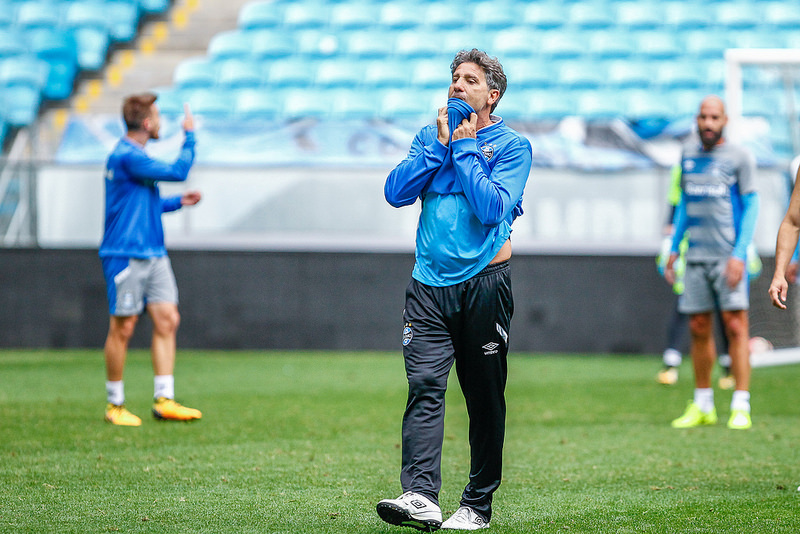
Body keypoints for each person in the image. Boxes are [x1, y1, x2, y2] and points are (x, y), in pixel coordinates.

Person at [376, 49, 532, 531]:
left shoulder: (513, 147)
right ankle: (420, 495)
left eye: (470, 80)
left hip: (484, 287)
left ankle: (477, 505)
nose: (458, 86)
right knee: (424, 386)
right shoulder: (430, 138)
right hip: (427, 287)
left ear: (493, 94)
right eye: (454, 79)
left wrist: (464, 151)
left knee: (484, 398)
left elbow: (491, 209)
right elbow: (395, 192)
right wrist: (440, 147)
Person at [99, 93, 202, 426]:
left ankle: (164, 399)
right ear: (147, 123)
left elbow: (142, 206)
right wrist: (190, 134)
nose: (160, 122)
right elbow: (178, 169)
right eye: (157, 117)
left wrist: (176, 204)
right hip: (126, 253)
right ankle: (115, 404)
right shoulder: (127, 156)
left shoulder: (135, 158)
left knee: (167, 319)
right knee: (124, 326)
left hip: (154, 253)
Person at [665, 95, 759, 430]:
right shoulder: (688, 154)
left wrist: (739, 253)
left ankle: (741, 404)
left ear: (725, 121)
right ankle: (703, 403)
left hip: (727, 258)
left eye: (714, 117)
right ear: (697, 119)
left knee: (736, 327)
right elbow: (686, 207)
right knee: (698, 328)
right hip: (696, 257)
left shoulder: (739, 157)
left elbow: (752, 207)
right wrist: (675, 248)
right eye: (703, 116)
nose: (707, 123)